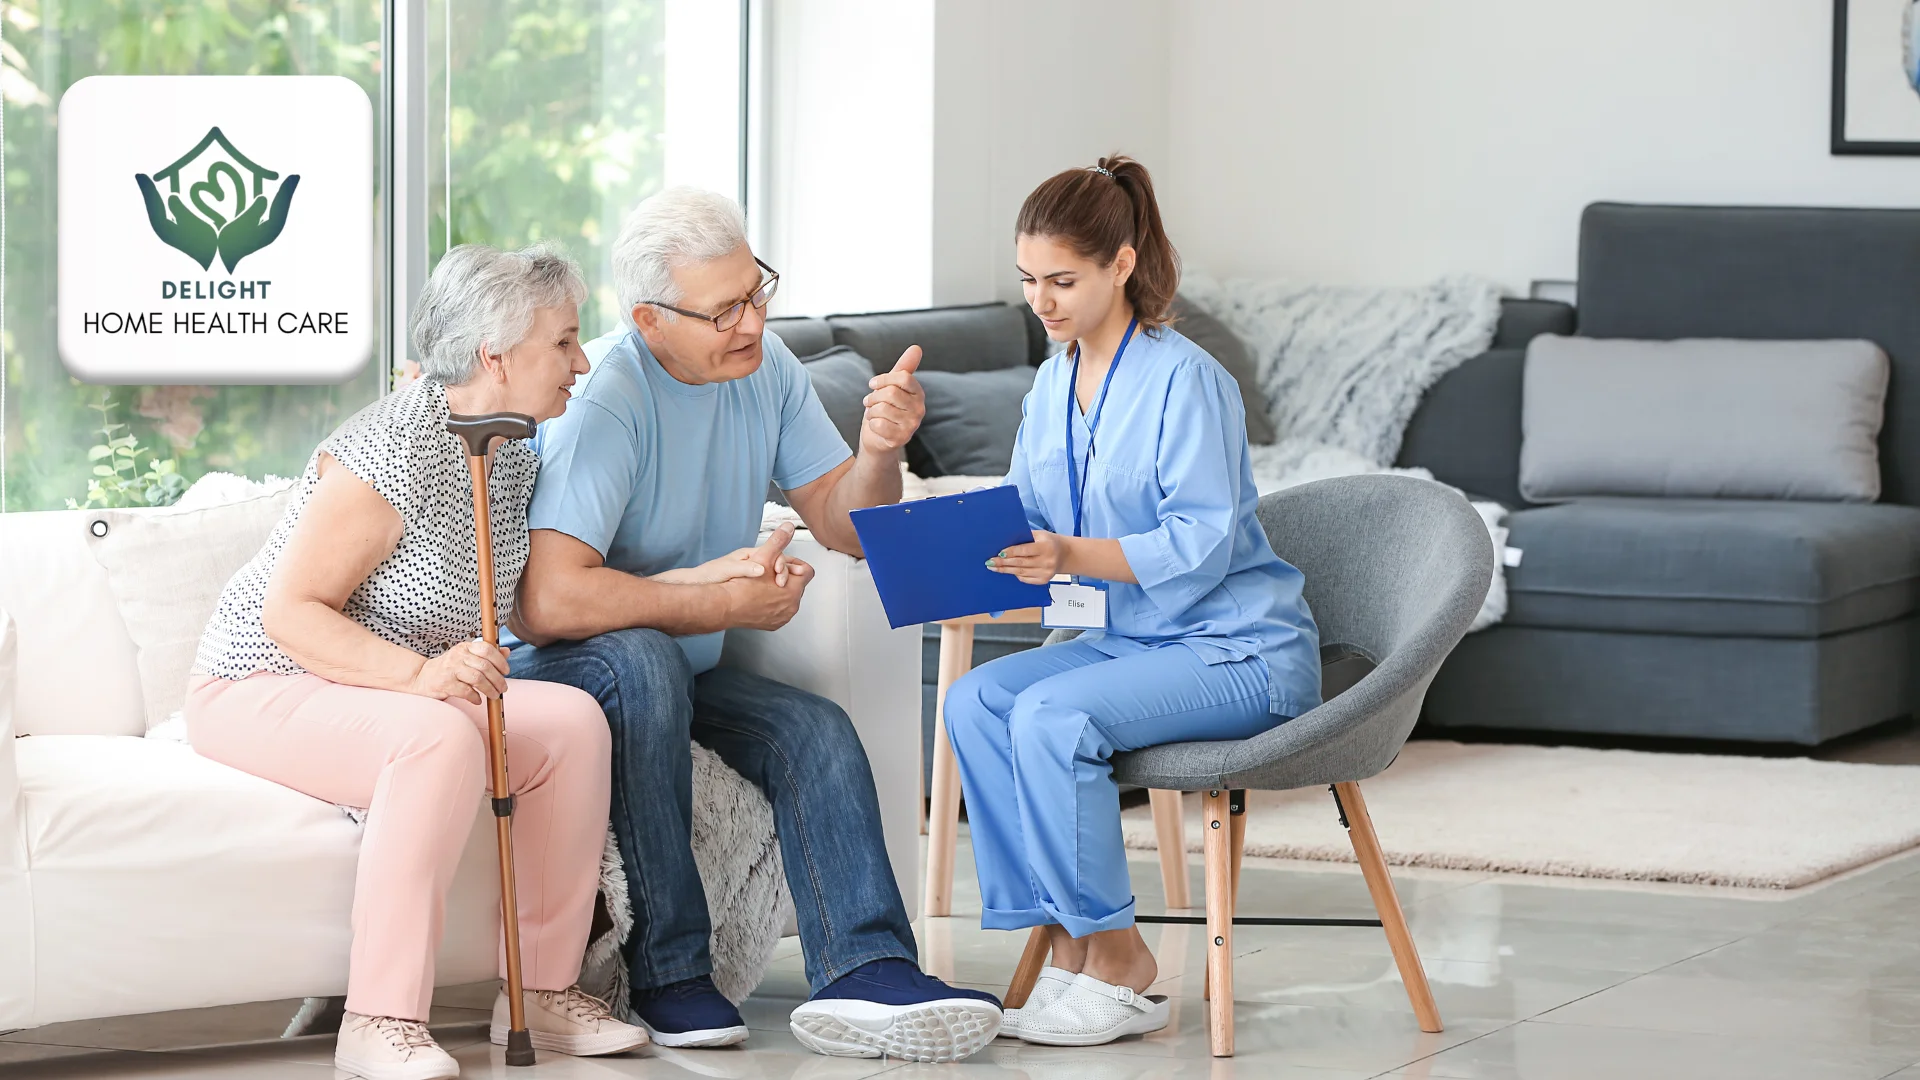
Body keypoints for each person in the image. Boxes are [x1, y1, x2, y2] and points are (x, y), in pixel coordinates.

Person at [507, 187, 1002, 1064]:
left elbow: (849, 524)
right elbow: (547, 603)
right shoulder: (607, 403)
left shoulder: (765, 369)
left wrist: (881, 452)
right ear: (650, 321)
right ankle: (667, 973)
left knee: (813, 730)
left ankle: (867, 970)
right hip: (565, 672)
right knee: (650, 661)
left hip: (680, 667)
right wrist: (712, 603)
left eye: (757, 291)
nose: (752, 320)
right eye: (725, 307)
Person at [185, 244, 650, 1080]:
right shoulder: (392, 447)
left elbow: (515, 603)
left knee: (573, 723)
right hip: (263, 681)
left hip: (390, 688)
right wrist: (421, 679)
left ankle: (542, 993)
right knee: (436, 740)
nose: (582, 363)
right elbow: (290, 613)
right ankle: (380, 1020)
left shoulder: (513, 447)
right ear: (494, 355)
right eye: (565, 342)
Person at [943, 155, 1323, 1047]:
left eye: (1063, 280)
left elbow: (1201, 544)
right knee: (974, 701)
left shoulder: (1187, 379)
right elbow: (1030, 510)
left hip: (1235, 652)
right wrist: (964, 544)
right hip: (1128, 641)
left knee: (1048, 717)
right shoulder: (1050, 384)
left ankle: (1121, 960)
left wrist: (1069, 553)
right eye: (1029, 280)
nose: (1042, 300)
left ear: (1121, 263)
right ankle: (1072, 943)